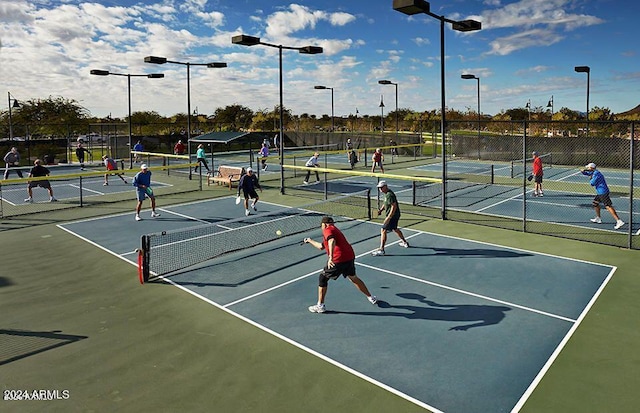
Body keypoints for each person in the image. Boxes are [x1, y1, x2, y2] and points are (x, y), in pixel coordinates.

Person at [303, 216, 378, 313]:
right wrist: (309, 240)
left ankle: (320, 306)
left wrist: (331, 257)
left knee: (323, 278)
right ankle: (371, 297)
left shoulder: (327, 230)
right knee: (353, 277)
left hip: (338, 259)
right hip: (349, 256)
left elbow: (331, 241)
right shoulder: (334, 229)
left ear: (324, 224)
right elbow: (322, 246)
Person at [581, 162, 625, 230]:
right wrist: (583, 172)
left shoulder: (596, 174)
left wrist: (590, 178)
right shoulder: (595, 172)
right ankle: (598, 218)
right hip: (600, 192)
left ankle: (619, 221)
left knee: (608, 206)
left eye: (588, 167)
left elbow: (592, 183)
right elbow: (588, 173)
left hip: (603, 192)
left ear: (591, 168)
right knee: (595, 203)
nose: (587, 168)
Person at [372, 180, 409, 256]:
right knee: (395, 229)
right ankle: (404, 242)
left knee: (383, 230)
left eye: (381, 187)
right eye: (379, 188)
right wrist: (381, 210)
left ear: (385, 187)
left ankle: (381, 249)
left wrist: (389, 217)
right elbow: (385, 203)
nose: (380, 189)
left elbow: (394, 206)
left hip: (393, 216)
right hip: (394, 215)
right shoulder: (387, 194)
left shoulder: (389, 195)